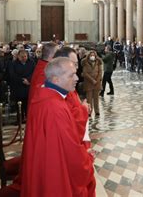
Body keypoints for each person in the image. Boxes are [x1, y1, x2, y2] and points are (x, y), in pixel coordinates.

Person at [20, 57, 96, 197]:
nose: (77, 78)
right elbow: (71, 152)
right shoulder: (56, 108)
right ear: (55, 80)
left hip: (42, 165)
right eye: (71, 75)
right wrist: (87, 158)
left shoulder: (46, 95)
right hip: (54, 174)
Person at [28, 42, 59, 106]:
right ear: (52, 55)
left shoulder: (45, 66)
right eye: (58, 53)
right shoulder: (44, 71)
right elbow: (43, 96)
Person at [8, 49, 35, 120]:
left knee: (27, 105)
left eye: (25, 56)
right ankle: (20, 119)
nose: (24, 58)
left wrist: (28, 80)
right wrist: (23, 80)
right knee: (19, 106)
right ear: (18, 57)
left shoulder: (31, 62)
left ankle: (28, 119)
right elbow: (12, 75)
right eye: (22, 57)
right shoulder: (13, 63)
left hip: (28, 86)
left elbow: (34, 72)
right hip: (18, 87)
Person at [82, 50, 103, 116]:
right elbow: (85, 73)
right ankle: (89, 112)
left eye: (93, 55)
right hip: (89, 83)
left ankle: (97, 111)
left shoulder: (98, 62)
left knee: (96, 98)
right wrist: (92, 80)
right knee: (89, 99)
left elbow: (100, 72)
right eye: (91, 55)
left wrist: (97, 80)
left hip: (97, 83)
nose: (92, 56)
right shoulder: (85, 62)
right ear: (89, 56)